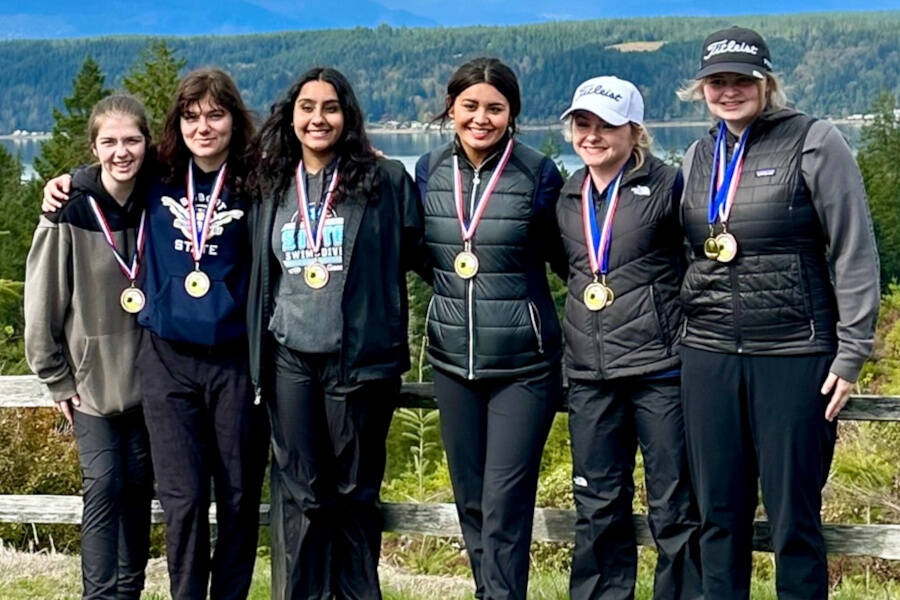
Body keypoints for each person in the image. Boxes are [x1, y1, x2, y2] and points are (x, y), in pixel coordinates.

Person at [42, 68, 270, 600]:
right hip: (167, 363)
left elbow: (316, 166)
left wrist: (364, 156)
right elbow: (112, 167)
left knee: (238, 497)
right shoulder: (161, 175)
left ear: (234, 120)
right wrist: (68, 181)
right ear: (177, 124)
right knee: (182, 501)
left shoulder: (259, 179)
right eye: (191, 117)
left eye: (216, 115)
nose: (203, 126)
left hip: (236, 362)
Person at [677, 26, 880, 598]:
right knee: (717, 519)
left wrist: (852, 349)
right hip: (709, 355)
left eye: (743, 79)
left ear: (767, 82)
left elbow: (853, 249)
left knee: (794, 520)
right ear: (702, 89)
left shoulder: (817, 142)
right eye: (718, 81)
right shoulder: (697, 155)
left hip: (795, 354)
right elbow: (682, 258)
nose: (730, 90)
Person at [246, 66, 424, 600]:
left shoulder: (385, 180)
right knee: (303, 495)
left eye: (330, 107)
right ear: (291, 115)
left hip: (359, 360)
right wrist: (79, 182)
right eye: (307, 107)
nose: (317, 118)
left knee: (353, 494)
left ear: (347, 116)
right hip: (290, 359)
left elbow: (423, 252)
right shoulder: (271, 181)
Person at [415, 56, 566, 600]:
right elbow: (420, 256)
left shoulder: (538, 174)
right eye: (470, 106)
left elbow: (569, 259)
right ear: (451, 108)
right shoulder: (429, 171)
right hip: (453, 360)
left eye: (495, 108)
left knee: (505, 502)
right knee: (472, 501)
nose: (482, 118)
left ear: (512, 114)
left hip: (524, 366)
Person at [555, 76, 702, 600]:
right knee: (595, 504)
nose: (592, 136)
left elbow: (698, 263)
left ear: (635, 131)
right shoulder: (568, 192)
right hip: (590, 373)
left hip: (660, 369)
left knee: (674, 504)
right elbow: (571, 269)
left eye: (607, 126)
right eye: (583, 124)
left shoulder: (669, 185)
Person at [25, 94, 155, 600]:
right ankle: (99, 596)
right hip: (91, 385)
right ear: (94, 146)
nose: (121, 151)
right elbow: (41, 302)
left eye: (131, 140)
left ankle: (129, 591)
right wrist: (55, 374)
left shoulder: (159, 200)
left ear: (146, 143)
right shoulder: (70, 209)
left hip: (150, 382)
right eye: (109, 141)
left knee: (139, 491)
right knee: (102, 486)